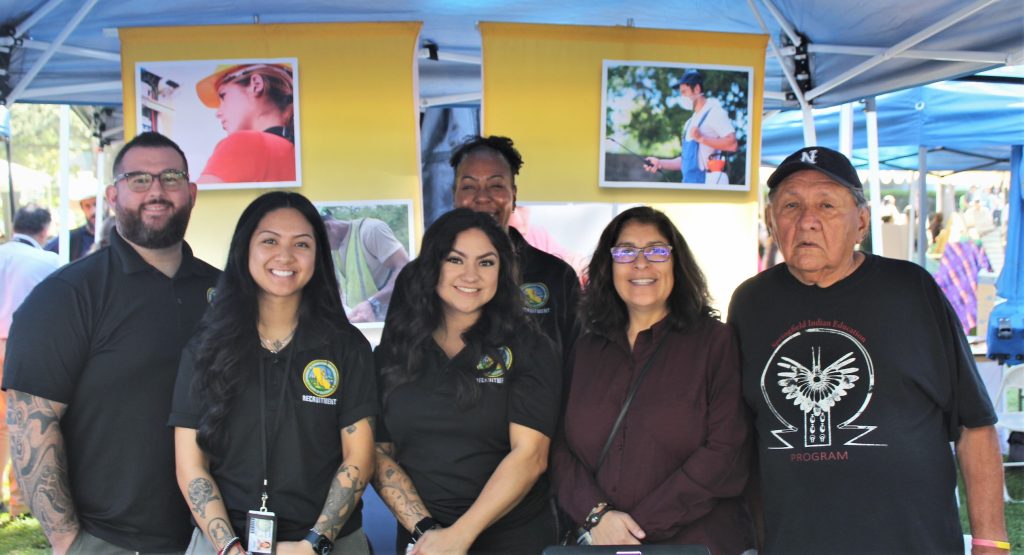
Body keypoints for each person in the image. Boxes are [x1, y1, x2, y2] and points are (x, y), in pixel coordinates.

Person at [728, 146, 1006, 554]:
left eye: (827, 205)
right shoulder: (750, 304)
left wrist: (991, 542)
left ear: (861, 222)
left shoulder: (912, 291)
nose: (808, 221)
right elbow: (747, 438)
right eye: (791, 205)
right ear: (771, 221)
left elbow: (975, 425)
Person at [3, 132, 219, 554]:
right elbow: (32, 424)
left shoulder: (225, 293)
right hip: (112, 540)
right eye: (139, 179)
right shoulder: (67, 295)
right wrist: (69, 542)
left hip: (219, 536)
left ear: (191, 193)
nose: (156, 191)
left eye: (170, 178)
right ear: (113, 195)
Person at [172, 191, 378, 554]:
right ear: (245, 249)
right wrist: (229, 547)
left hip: (329, 543)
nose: (285, 256)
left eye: (302, 244)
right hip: (224, 544)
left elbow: (358, 457)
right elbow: (191, 465)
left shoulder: (346, 347)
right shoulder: (206, 347)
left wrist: (314, 543)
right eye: (269, 241)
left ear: (318, 256)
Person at [551, 206, 752, 553]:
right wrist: (597, 517)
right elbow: (558, 445)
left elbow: (726, 451)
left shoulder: (714, 343)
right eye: (626, 251)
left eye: (657, 250)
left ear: (676, 263)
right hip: (599, 542)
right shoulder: (584, 349)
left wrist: (635, 529)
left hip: (695, 544)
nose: (641, 263)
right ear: (608, 265)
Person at [372, 208, 561, 554]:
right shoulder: (395, 348)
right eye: (455, 260)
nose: (471, 275)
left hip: (513, 539)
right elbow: (379, 451)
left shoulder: (530, 346)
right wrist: (427, 531)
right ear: (432, 266)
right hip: (424, 540)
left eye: (486, 262)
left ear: (502, 271)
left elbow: (530, 455)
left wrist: (460, 535)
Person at [0, 204, 60, 516]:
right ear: (45, 229)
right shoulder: (50, 261)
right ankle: (19, 501)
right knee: (21, 423)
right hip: (23, 347)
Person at [195, 63, 296, 184]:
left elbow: (197, 202)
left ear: (256, 84)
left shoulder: (243, 142)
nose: (218, 113)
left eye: (223, 96)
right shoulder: (294, 150)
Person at [644, 70, 738, 184]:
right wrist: (660, 163)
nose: (682, 96)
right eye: (681, 93)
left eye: (684, 91)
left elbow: (732, 144)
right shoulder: (689, 123)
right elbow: (685, 161)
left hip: (709, 184)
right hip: (690, 184)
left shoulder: (715, 112)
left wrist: (701, 139)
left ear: (697, 89)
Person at [322, 213, 409, 323]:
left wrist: (372, 303)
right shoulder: (334, 249)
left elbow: (405, 269)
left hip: (393, 323)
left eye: (320, 242)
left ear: (328, 227)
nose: (321, 248)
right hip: (363, 327)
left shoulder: (371, 230)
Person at [44, 194, 97, 261]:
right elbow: (45, 255)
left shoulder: (113, 234)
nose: (93, 211)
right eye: (87, 206)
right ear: (82, 208)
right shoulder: (72, 237)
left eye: (96, 204)